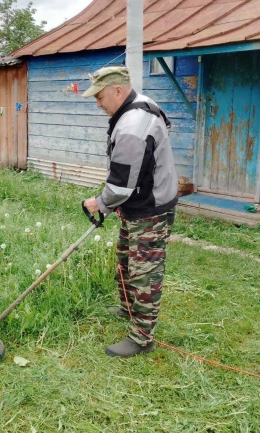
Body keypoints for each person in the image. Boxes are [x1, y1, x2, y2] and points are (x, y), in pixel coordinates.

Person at [82, 66, 178, 358]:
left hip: (150, 207)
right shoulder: (136, 108)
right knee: (125, 258)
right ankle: (128, 307)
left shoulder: (132, 125)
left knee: (144, 270)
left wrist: (100, 202)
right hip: (138, 203)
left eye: (100, 97)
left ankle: (142, 337)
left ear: (118, 91)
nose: (98, 104)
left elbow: (121, 185)